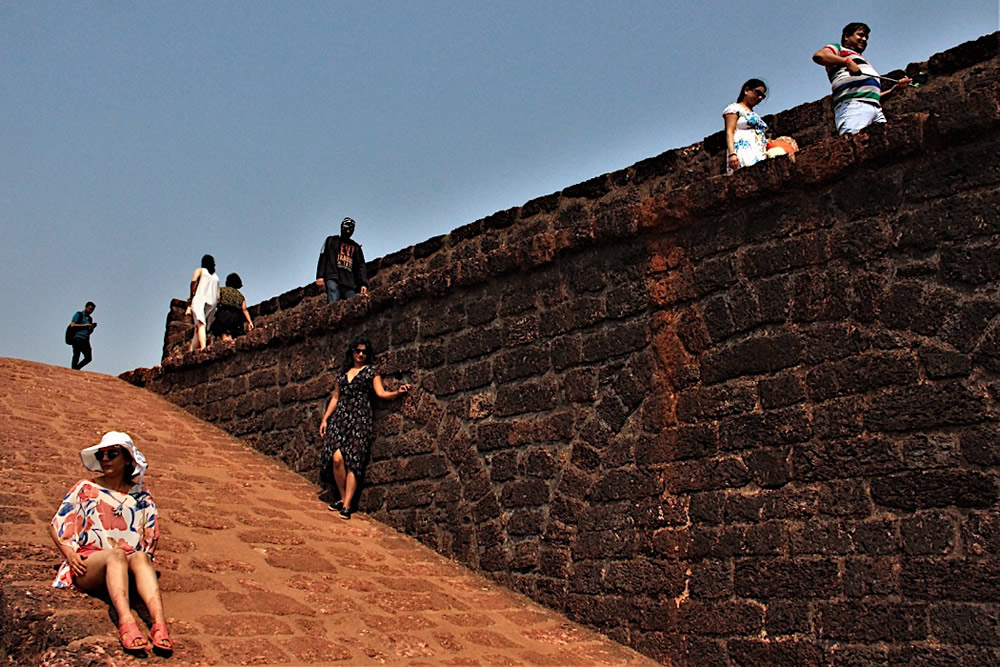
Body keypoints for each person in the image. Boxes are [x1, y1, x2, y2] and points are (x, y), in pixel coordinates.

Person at [48, 431, 172, 654]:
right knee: (115, 555)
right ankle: (126, 621)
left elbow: (150, 538)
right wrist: (70, 554)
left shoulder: (142, 496)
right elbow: (57, 524)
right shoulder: (86, 489)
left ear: (126, 460)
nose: (104, 459)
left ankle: (159, 624)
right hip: (92, 563)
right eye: (101, 455)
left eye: (111, 454)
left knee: (142, 557)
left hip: (128, 564)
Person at [319, 336, 412, 519]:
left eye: (364, 352)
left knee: (354, 460)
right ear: (352, 352)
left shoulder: (371, 371)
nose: (361, 354)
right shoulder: (343, 372)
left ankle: (346, 505)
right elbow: (336, 397)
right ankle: (343, 496)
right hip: (340, 418)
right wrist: (325, 419)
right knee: (337, 458)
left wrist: (397, 392)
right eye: (357, 351)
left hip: (360, 418)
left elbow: (380, 393)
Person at [813, 22, 911, 135]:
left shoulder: (863, 60)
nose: (864, 39)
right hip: (853, 105)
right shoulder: (839, 49)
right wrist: (847, 62)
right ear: (846, 36)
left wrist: (893, 91)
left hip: (875, 109)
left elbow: (868, 96)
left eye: (866, 37)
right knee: (853, 141)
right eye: (860, 35)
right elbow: (819, 56)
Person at [316, 217, 369, 303]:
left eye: (351, 228)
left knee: (351, 304)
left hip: (349, 282)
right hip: (333, 277)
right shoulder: (331, 241)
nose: (348, 231)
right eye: (346, 228)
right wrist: (320, 276)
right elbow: (323, 257)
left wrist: (363, 283)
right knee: (333, 302)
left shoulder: (356, 248)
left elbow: (361, 266)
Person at [723, 79, 769, 173]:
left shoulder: (754, 114)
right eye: (758, 93)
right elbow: (729, 131)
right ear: (746, 90)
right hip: (744, 150)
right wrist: (732, 154)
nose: (760, 97)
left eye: (762, 96)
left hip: (758, 150)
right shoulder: (734, 108)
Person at [188, 254, 220, 351]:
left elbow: (193, 281)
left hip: (200, 299)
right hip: (212, 302)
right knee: (199, 327)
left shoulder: (200, 271)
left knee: (201, 324)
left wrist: (192, 294)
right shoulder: (216, 277)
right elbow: (218, 296)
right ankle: (191, 350)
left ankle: (203, 348)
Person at [210, 272, 254, 342]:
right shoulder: (240, 296)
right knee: (232, 335)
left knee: (224, 333)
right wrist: (250, 322)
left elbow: (216, 300)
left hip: (223, 314)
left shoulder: (221, 290)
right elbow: (244, 309)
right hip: (235, 317)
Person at [68, 302, 97, 370]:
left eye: (92, 310)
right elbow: (72, 325)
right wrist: (85, 325)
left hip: (85, 339)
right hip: (77, 338)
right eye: (89, 309)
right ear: (86, 307)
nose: (90, 311)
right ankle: (74, 369)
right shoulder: (79, 314)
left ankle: (76, 368)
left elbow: (89, 332)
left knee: (88, 358)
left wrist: (92, 328)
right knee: (76, 355)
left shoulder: (90, 319)